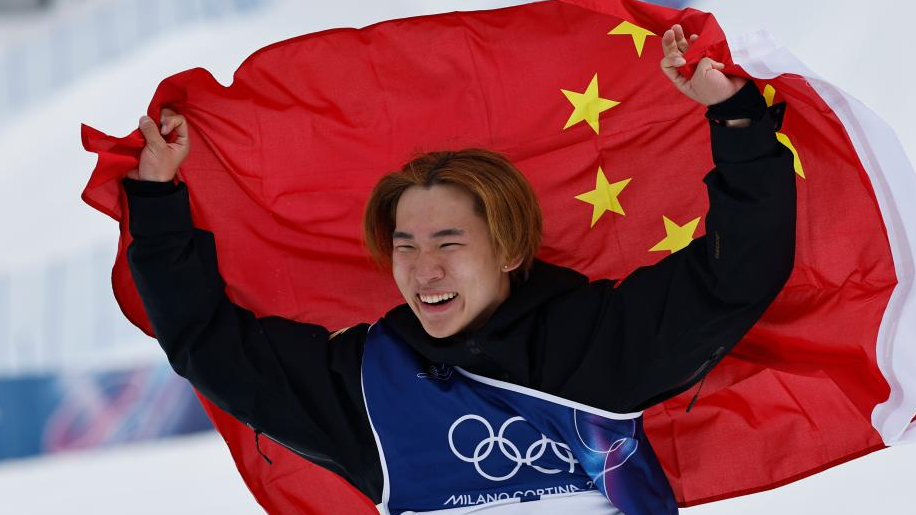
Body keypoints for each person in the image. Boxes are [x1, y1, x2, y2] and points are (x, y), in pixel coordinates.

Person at [122, 25, 795, 515]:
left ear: (508, 248)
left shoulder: (596, 340)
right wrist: (156, 201)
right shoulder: (364, 387)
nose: (423, 267)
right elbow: (208, 345)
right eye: (405, 245)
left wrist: (736, 117)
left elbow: (736, 271)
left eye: (448, 241)